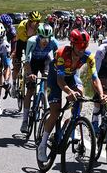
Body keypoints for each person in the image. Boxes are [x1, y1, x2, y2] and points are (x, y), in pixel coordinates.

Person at [37, 29, 94, 163]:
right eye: (79, 46)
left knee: (80, 95)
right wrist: (69, 92)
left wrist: (101, 94)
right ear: (72, 44)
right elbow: (60, 81)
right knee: (55, 111)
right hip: (55, 77)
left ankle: (71, 122)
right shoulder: (62, 53)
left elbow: (95, 78)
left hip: (71, 76)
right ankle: (43, 144)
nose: (82, 49)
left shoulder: (88, 56)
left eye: (84, 46)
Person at [20, 23, 58, 134]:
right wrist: (30, 73)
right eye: (42, 37)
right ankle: (25, 121)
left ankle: (44, 103)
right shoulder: (32, 41)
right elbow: (27, 60)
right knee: (30, 90)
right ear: (38, 36)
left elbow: (57, 59)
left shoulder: (54, 42)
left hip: (45, 61)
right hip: (32, 62)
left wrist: (56, 74)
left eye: (47, 38)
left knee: (46, 83)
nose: (45, 41)